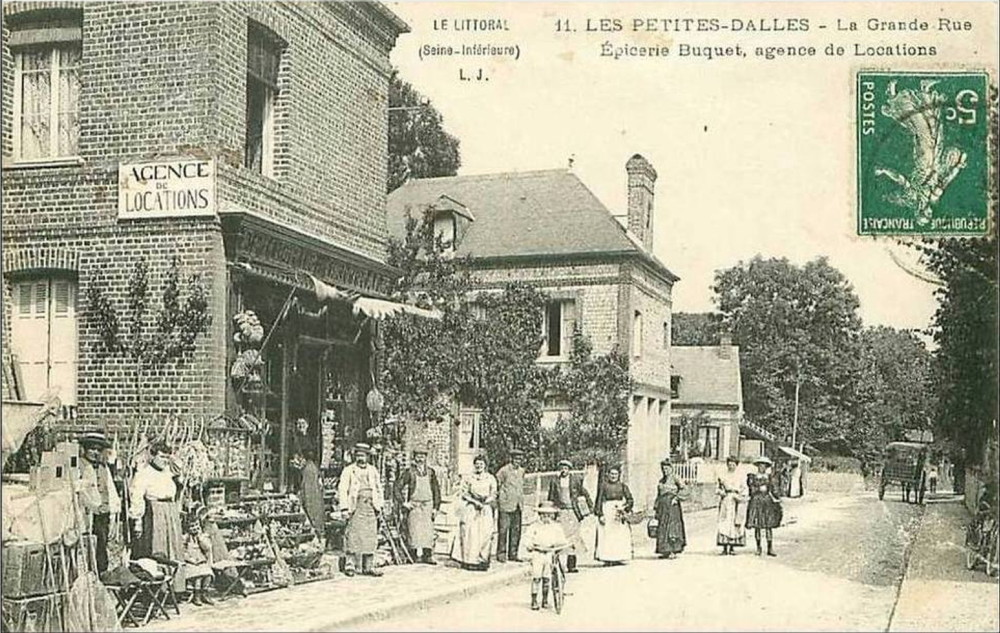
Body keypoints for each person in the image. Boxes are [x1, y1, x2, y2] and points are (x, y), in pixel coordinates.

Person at [129, 440, 186, 591]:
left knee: (173, 547)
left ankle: (175, 587)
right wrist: (137, 520)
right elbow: (137, 497)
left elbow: (179, 467)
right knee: (158, 547)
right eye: (161, 457)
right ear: (152, 456)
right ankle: (160, 588)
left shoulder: (168, 471)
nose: (165, 461)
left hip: (170, 512)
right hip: (155, 512)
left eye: (167, 457)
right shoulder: (144, 473)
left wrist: (170, 457)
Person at [337, 443, 385, 577]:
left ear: (367, 457)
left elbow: (378, 488)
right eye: (358, 456)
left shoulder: (373, 470)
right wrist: (344, 508)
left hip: (371, 507)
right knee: (353, 536)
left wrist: (380, 505)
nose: (360, 458)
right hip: (356, 507)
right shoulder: (349, 470)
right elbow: (342, 489)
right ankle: (350, 564)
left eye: (363, 456)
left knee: (370, 536)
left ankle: (368, 565)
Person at [77, 430, 121, 575]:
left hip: (102, 513)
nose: (95, 452)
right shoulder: (78, 466)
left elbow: (110, 488)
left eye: (98, 450)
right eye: (92, 449)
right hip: (85, 513)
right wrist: (92, 506)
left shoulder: (103, 468)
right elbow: (79, 491)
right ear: (85, 449)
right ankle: (86, 573)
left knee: (101, 544)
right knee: (86, 544)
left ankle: (101, 573)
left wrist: (112, 508)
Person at [394, 445, 442, 564]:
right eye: (418, 456)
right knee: (414, 531)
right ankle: (413, 555)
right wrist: (404, 503)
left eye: (422, 456)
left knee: (427, 531)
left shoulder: (430, 472)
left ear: (426, 458)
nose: (420, 459)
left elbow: (436, 490)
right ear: (414, 458)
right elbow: (397, 488)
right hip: (414, 505)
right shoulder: (409, 472)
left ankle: (427, 555)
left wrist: (436, 507)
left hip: (428, 505)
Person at [451, 454, 498, 571]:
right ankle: (469, 560)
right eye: (477, 464)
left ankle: (482, 560)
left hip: (485, 508)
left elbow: (494, 493)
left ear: (485, 465)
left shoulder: (490, 478)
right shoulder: (469, 478)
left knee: (485, 534)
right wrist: (475, 502)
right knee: (471, 534)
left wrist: (486, 501)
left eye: (481, 464)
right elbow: (464, 493)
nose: (479, 466)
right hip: (472, 508)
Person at [547, 459, 592, 573]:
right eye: (562, 468)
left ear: (569, 470)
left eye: (566, 468)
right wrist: (551, 511)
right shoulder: (554, 481)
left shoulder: (575, 480)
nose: (564, 470)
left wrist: (589, 507)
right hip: (560, 512)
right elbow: (551, 497)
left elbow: (585, 493)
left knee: (573, 538)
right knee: (558, 537)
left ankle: (571, 565)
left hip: (573, 512)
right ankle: (556, 565)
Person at [525, 501, 569, 611]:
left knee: (547, 577)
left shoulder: (556, 527)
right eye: (543, 515)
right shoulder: (534, 527)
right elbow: (528, 539)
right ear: (539, 515)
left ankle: (545, 599)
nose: (546, 517)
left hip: (549, 553)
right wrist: (530, 545)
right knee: (536, 577)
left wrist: (561, 546)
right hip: (538, 553)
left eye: (549, 515)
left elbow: (562, 540)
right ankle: (534, 600)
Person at [593, 465, 634, 565]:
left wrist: (625, 508)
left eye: (615, 474)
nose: (613, 476)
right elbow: (599, 500)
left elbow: (630, 499)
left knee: (619, 534)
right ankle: (607, 558)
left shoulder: (623, 486)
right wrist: (600, 514)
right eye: (612, 474)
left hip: (619, 512)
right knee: (607, 534)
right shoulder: (603, 486)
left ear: (619, 475)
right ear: (608, 475)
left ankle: (619, 557)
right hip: (607, 511)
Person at [290, 418, 324, 532]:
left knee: (315, 497)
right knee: (304, 495)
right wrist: (298, 460)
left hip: (312, 469)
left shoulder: (311, 438)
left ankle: (317, 524)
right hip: (302, 469)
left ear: (307, 425)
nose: (301, 426)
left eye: (303, 423)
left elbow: (315, 454)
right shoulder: (295, 439)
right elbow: (294, 455)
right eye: (299, 424)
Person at [746, 456, 782, 557]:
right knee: (757, 525)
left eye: (764, 466)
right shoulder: (753, 477)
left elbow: (774, 489)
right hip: (756, 501)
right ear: (757, 466)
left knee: (768, 525)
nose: (762, 468)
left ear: (766, 467)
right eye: (760, 466)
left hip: (767, 501)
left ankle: (770, 548)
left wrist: (777, 497)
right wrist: (758, 489)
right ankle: (758, 548)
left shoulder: (769, 477)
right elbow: (751, 489)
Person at [653, 458, 688, 559]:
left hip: (673, 507)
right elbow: (658, 494)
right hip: (663, 507)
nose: (665, 471)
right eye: (663, 469)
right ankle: (665, 550)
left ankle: (673, 550)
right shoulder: (661, 481)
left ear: (671, 469)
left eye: (667, 469)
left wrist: (676, 498)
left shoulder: (676, 478)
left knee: (672, 527)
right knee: (663, 527)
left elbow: (685, 489)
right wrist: (656, 506)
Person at [495, 448, 525, 563]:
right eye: (516, 459)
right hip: (506, 505)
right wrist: (501, 499)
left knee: (516, 530)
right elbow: (497, 485)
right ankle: (501, 554)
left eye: (520, 459)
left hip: (518, 505)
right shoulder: (504, 471)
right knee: (503, 530)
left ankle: (513, 554)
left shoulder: (522, 471)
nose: (518, 461)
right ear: (511, 459)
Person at [182, 504, 214, 606]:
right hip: (190, 563)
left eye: (196, 525)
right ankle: (197, 595)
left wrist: (200, 538)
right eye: (192, 526)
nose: (195, 528)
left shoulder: (202, 537)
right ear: (187, 528)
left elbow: (207, 548)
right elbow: (183, 552)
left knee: (207, 574)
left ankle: (205, 593)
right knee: (197, 576)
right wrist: (190, 559)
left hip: (201, 561)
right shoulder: (185, 538)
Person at [716, 455, 748, 555]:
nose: (731, 466)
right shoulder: (723, 476)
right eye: (729, 464)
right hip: (726, 500)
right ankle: (724, 547)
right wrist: (721, 492)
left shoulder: (740, 477)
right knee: (725, 522)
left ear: (736, 465)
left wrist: (740, 496)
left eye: (733, 465)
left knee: (735, 523)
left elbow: (744, 489)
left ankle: (732, 547)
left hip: (736, 500)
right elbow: (718, 488)